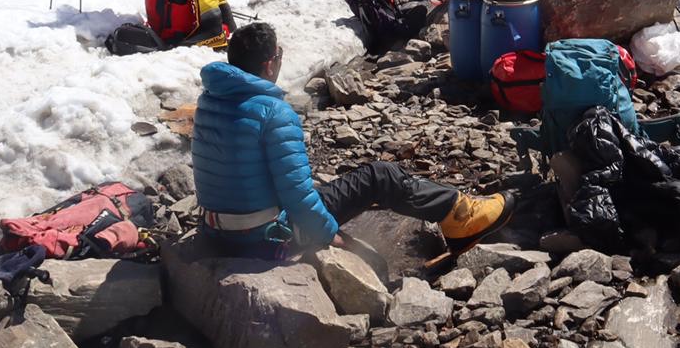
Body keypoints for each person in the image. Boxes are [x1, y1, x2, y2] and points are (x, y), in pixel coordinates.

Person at [191, 22, 516, 258]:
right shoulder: (274, 113)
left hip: (216, 233)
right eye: (279, 54)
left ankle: (454, 212)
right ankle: (461, 217)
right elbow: (297, 195)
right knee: (380, 176)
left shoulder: (208, 102)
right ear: (269, 63)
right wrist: (331, 237)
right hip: (263, 239)